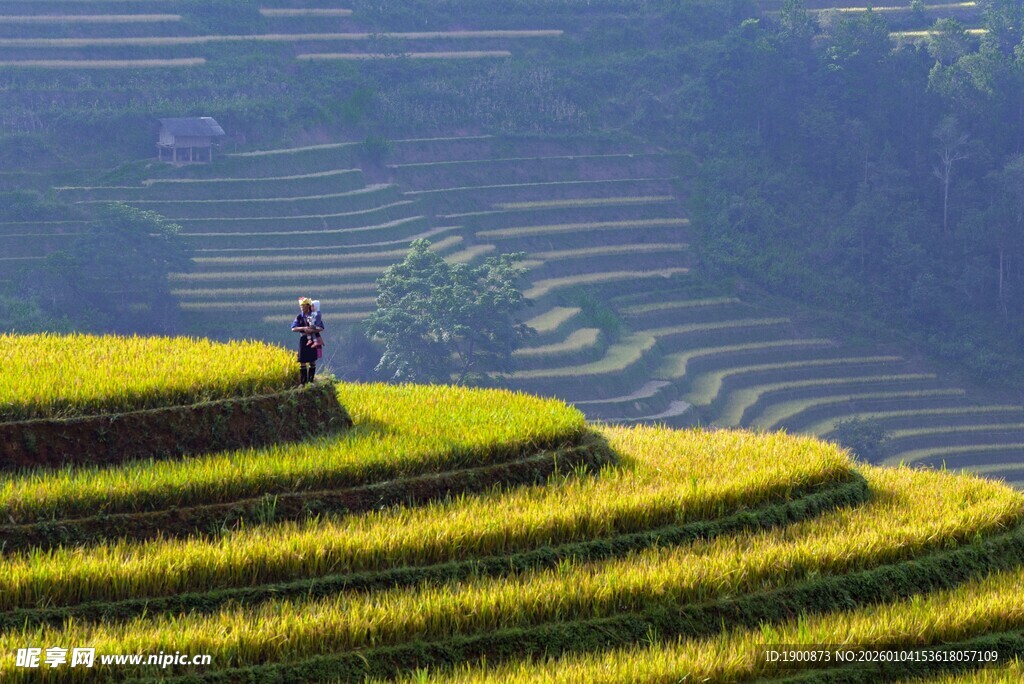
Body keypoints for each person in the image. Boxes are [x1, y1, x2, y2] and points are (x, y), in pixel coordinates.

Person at [291, 297, 324, 385]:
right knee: (302, 360)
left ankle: (311, 381)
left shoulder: (314, 315)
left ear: (308, 306)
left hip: (313, 338)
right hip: (303, 339)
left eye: (303, 306)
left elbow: (321, 327)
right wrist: (303, 328)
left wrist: (312, 330)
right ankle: (303, 382)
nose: (302, 307)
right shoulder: (299, 317)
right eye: (301, 306)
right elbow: (293, 328)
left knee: (312, 360)